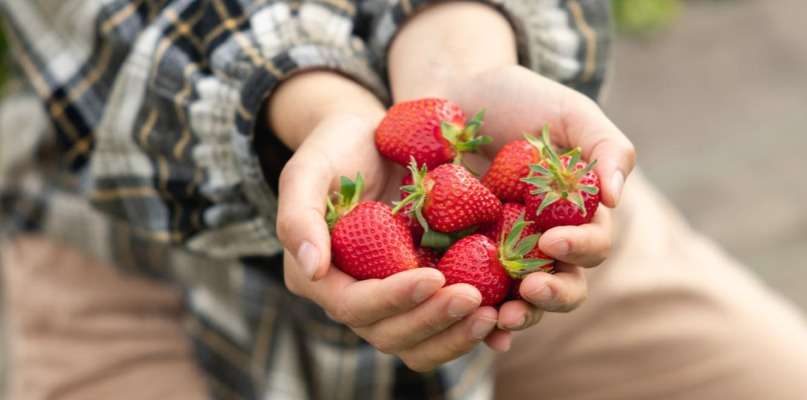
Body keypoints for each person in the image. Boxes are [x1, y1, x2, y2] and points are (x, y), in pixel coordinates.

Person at [1, 1, 806, 399]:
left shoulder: (490, 199)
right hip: (150, 269)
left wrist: (454, 70)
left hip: (516, 228)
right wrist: (321, 112)